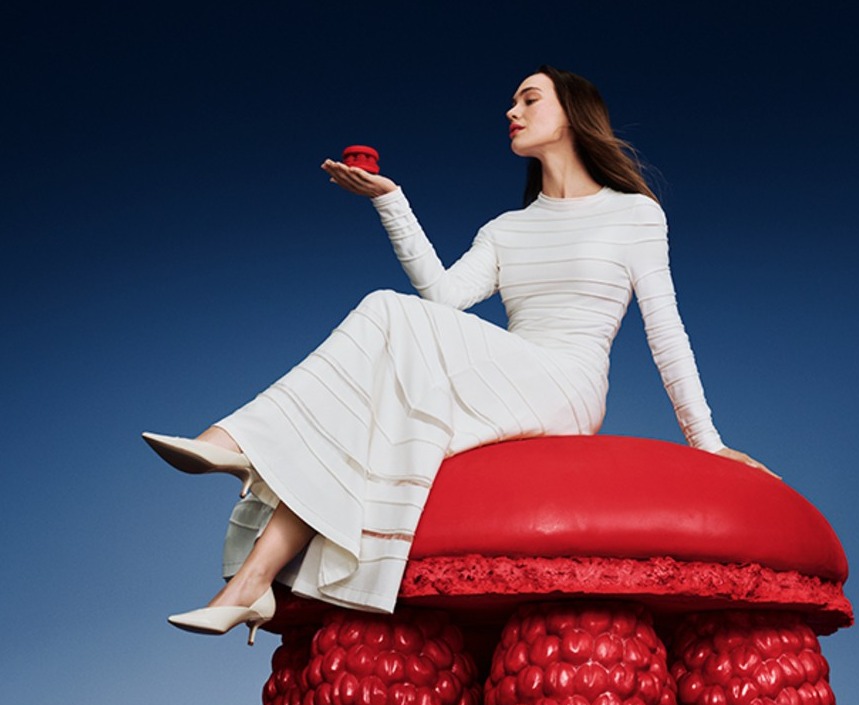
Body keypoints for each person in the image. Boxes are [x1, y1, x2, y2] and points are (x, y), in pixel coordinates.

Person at [144, 65, 773, 644]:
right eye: (511, 102)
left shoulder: (635, 215)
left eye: (529, 100)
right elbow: (445, 296)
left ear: (575, 116)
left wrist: (706, 442)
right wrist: (390, 200)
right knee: (367, 419)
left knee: (386, 312)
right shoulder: (507, 227)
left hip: (567, 384)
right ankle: (247, 588)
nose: (512, 111)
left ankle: (238, 441)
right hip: (507, 368)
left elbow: (667, 331)